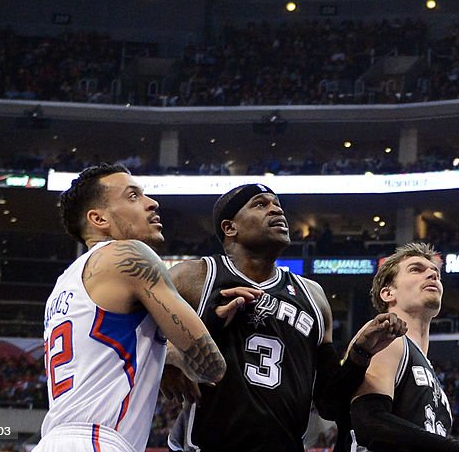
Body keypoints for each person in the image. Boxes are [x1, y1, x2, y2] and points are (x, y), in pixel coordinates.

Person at [164, 183, 406, 452]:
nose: (276, 210)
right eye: (260, 204)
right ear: (230, 227)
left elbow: (328, 402)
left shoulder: (313, 296)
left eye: (277, 204)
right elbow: (135, 333)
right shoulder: (195, 277)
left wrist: (361, 351)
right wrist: (167, 360)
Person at [35, 164, 229, 452]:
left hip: (54, 440)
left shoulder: (64, 284)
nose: (152, 203)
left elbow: (109, 352)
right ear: (98, 218)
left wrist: (167, 358)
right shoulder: (128, 254)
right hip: (97, 442)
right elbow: (212, 366)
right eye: (133, 196)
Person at [350, 242, 459, 452]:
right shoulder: (385, 338)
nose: (432, 275)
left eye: (436, 272)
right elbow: (370, 424)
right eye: (416, 269)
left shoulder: (425, 366)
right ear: (388, 293)